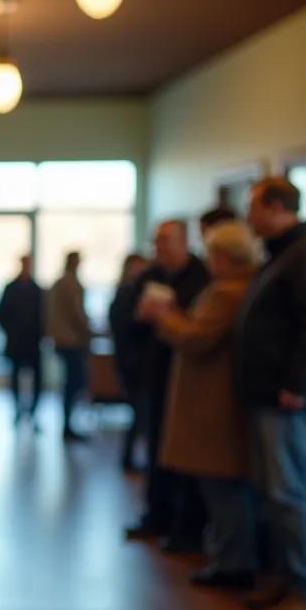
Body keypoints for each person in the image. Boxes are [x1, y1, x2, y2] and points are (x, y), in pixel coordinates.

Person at [234, 178, 306, 610]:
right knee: (274, 493)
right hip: (269, 396)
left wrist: (297, 385)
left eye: (253, 207)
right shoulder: (284, 253)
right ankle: (288, 575)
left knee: (292, 493)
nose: (248, 216)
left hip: (289, 400)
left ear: (276, 207)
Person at [141, 222, 258, 590]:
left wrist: (164, 315)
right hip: (213, 399)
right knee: (221, 488)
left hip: (213, 401)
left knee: (223, 489)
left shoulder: (227, 291)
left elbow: (197, 337)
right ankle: (228, 556)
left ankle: (233, 563)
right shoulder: (233, 287)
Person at [126, 220, 212, 551]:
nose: (158, 246)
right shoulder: (150, 276)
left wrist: (168, 314)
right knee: (155, 449)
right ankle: (156, 516)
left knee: (185, 454)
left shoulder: (201, 276)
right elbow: (131, 325)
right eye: (155, 239)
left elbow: (196, 328)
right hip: (154, 375)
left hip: (189, 380)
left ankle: (187, 527)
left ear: (183, 241)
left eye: (164, 239)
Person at [109, 253, 150, 470]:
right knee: (140, 412)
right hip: (133, 365)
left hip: (131, 363)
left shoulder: (125, 293)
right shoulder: (127, 295)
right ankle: (129, 458)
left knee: (139, 412)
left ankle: (130, 457)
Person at [47, 251, 93, 442]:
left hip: (61, 339)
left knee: (72, 382)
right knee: (76, 382)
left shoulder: (59, 283)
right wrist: (89, 332)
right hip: (71, 340)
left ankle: (68, 424)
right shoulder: (70, 283)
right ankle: (68, 425)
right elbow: (77, 313)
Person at [0, 256, 44, 428]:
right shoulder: (11, 288)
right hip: (16, 342)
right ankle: (17, 410)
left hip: (33, 343)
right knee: (15, 378)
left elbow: (44, 316)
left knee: (37, 380)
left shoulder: (37, 289)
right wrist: (11, 330)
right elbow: (0, 314)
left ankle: (32, 413)